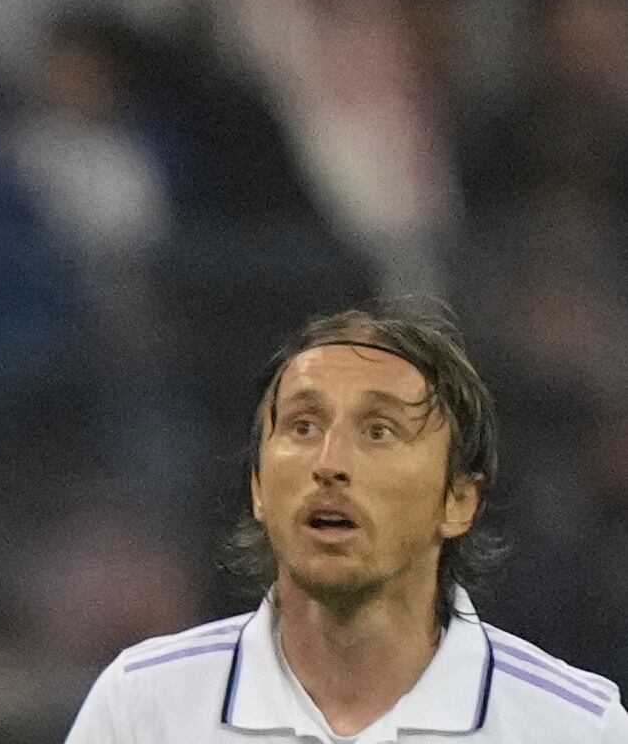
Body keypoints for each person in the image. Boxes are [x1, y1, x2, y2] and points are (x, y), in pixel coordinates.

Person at [66, 309, 628, 742]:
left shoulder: (575, 726)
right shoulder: (141, 707)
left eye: (379, 430)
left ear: (458, 501)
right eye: (303, 426)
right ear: (259, 487)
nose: (329, 462)